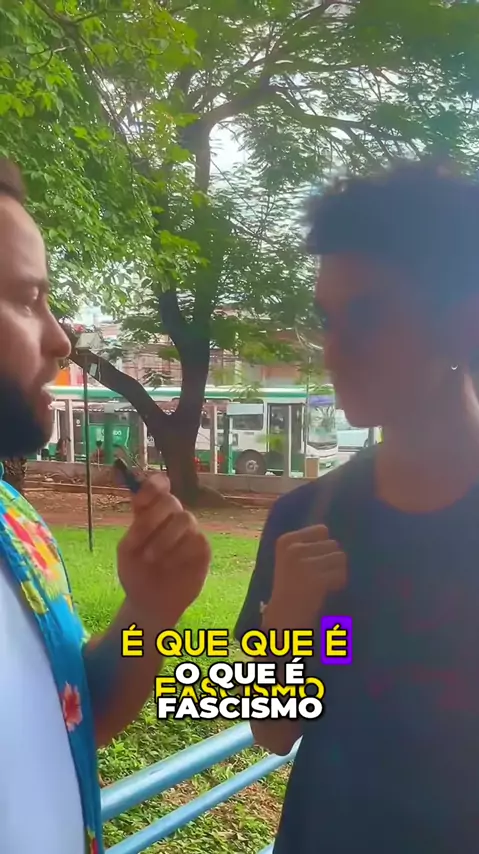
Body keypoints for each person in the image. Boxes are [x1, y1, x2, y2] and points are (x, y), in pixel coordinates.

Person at [235, 159, 479, 852]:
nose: (333, 354)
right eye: (327, 320)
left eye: (368, 316)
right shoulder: (306, 520)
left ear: (462, 325)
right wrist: (288, 619)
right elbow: (270, 730)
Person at [0, 158, 211, 853]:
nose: (61, 339)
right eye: (27, 298)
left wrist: (149, 610)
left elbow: (73, 718)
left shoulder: (16, 527)